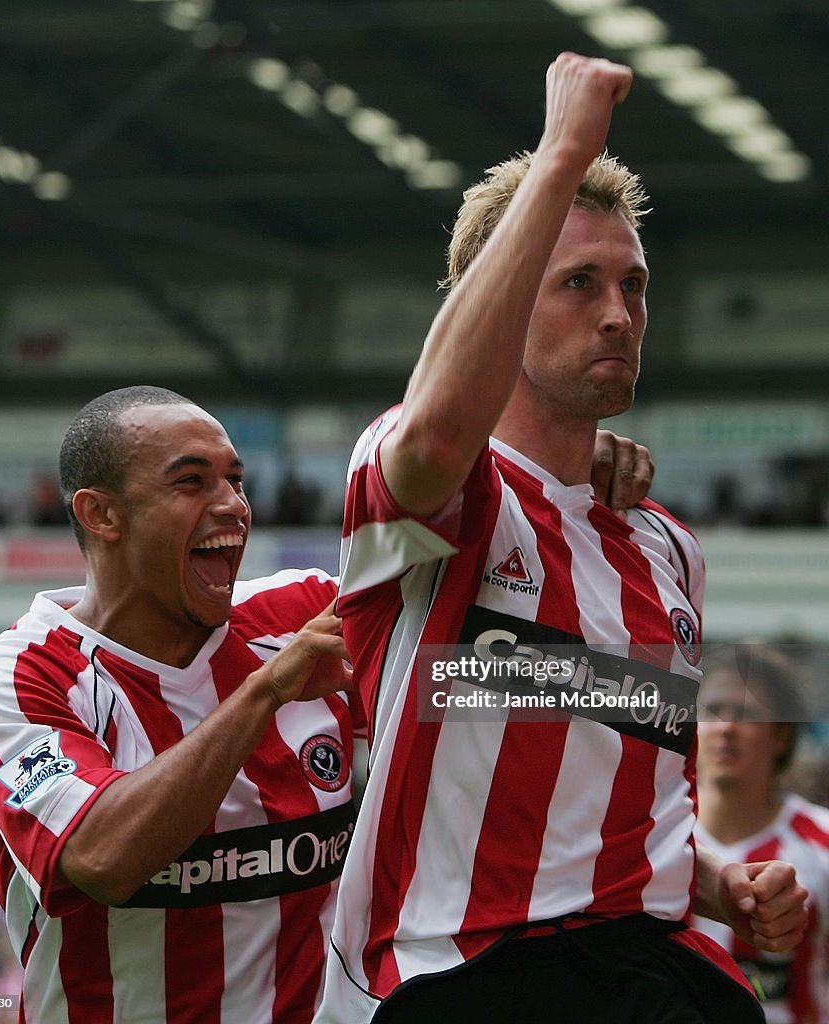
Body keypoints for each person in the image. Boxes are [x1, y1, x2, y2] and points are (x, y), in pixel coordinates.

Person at [317, 54, 807, 1023]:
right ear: (497, 302)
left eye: (633, 285)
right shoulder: (428, 486)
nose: (620, 314)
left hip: (650, 967)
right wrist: (560, 155)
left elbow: (616, 796)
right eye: (578, 283)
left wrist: (717, 884)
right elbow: (438, 437)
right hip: (462, 973)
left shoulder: (666, 547)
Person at [0, 385, 653, 1024]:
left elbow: (450, 533)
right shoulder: (15, 680)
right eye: (191, 483)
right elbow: (103, 857)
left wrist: (545, 475)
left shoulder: (307, 608)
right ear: (101, 514)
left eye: (235, 480)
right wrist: (267, 692)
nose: (230, 504)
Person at [694, 644, 829, 1024]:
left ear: (781, 736)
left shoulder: (821, 841)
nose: (727, 728)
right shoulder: (650, 837)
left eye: (747, 714)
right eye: (714, 711)